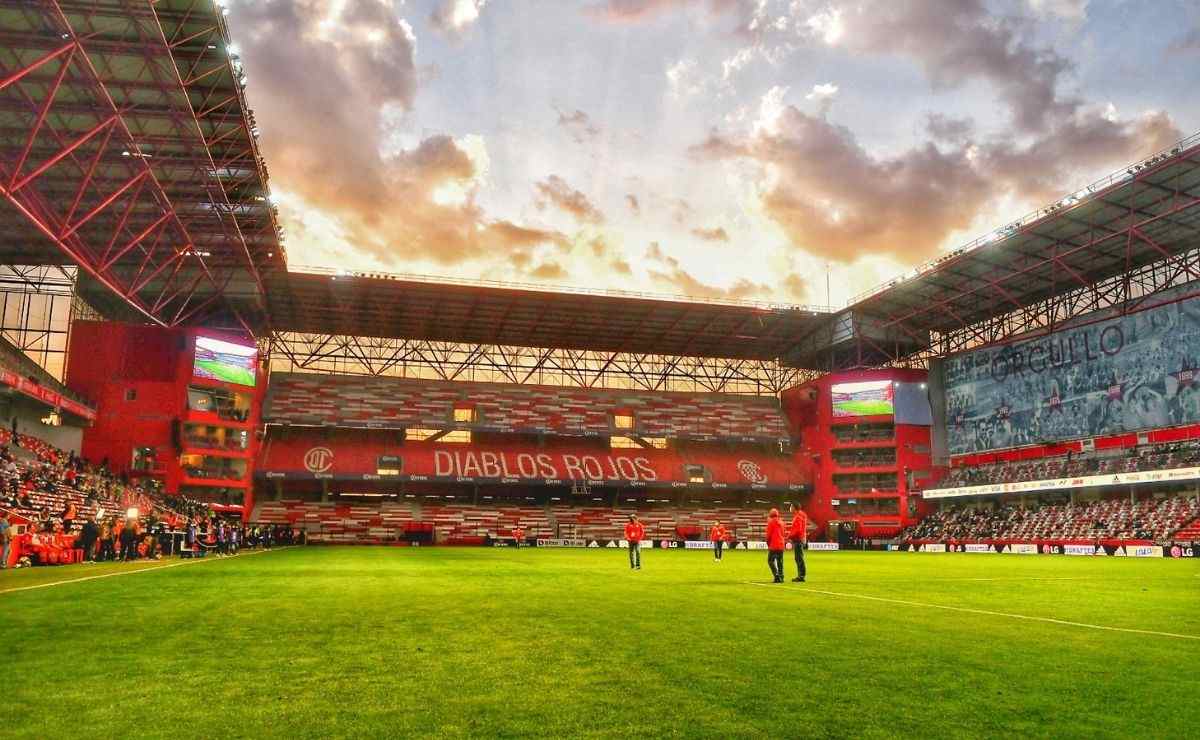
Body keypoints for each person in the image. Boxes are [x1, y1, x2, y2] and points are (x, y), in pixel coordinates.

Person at [788, 504, 809, 583]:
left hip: (798, 539)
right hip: (800, 538)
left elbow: (797, 530)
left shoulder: (798, 517)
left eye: (791, 506)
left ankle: (801, 576)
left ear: (794, 507)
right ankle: (801, 575)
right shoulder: (801, 515)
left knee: (799, 558)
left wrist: (789, 536)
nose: (790, 508)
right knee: (799, 558)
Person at [766, 508, 785, 583]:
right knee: (780, 561)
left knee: (770, 561)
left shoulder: (771, 522)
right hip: (781, 544)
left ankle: (776, 575)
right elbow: (783, 533)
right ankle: (781, 576)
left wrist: (768, 543)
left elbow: (768, 535)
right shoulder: (782, 522)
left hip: (773, 545)